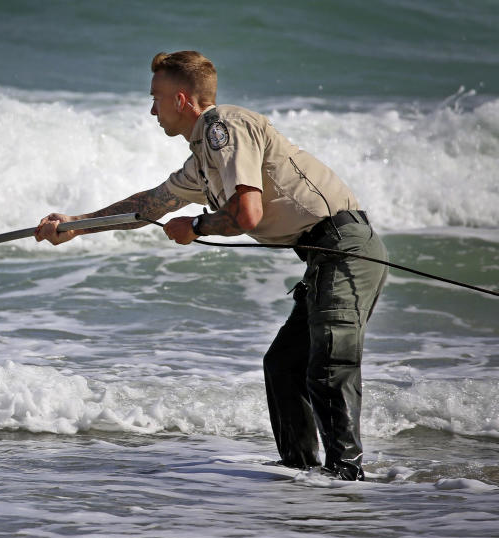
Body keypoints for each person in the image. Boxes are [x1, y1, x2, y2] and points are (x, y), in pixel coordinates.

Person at [35, 50, 387, 481]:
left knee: (330, 362)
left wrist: (197, 226)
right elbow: (147, 206)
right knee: (283, 365)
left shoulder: (225, 127)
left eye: (156, 97)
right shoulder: (202, 160)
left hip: (345, 247)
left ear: (182, 100)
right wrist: (77, 224)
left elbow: (248, 214)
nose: (151, 109)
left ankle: (346, 480)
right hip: (322, 258)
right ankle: (302, 474)